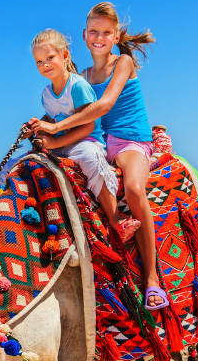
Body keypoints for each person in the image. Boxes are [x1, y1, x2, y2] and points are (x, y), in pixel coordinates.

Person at [27, 4, 166, 310]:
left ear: (115, 36)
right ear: (84, 36)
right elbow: (68, 104)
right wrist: (40, 127)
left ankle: (153, 277)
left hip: (129, 141)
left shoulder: (124, 62)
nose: (99, 37)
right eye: (94, 32)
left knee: (132, 189)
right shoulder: (83, 76)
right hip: (101, 140)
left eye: (105, 32)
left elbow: (103, 105)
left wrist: (57, 127)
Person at [28, 28, 137, 241]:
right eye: (39, 62)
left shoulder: (78, 87)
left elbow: (88, 126)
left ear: (65, 55)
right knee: (21, 163)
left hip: (86, 140)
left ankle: (115, 219)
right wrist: (37, 127)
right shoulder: (46, 94)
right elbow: (53, 119)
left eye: (49, 58)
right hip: (62, 141)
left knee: (89, 159)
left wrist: (54, 140)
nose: (45, 65)